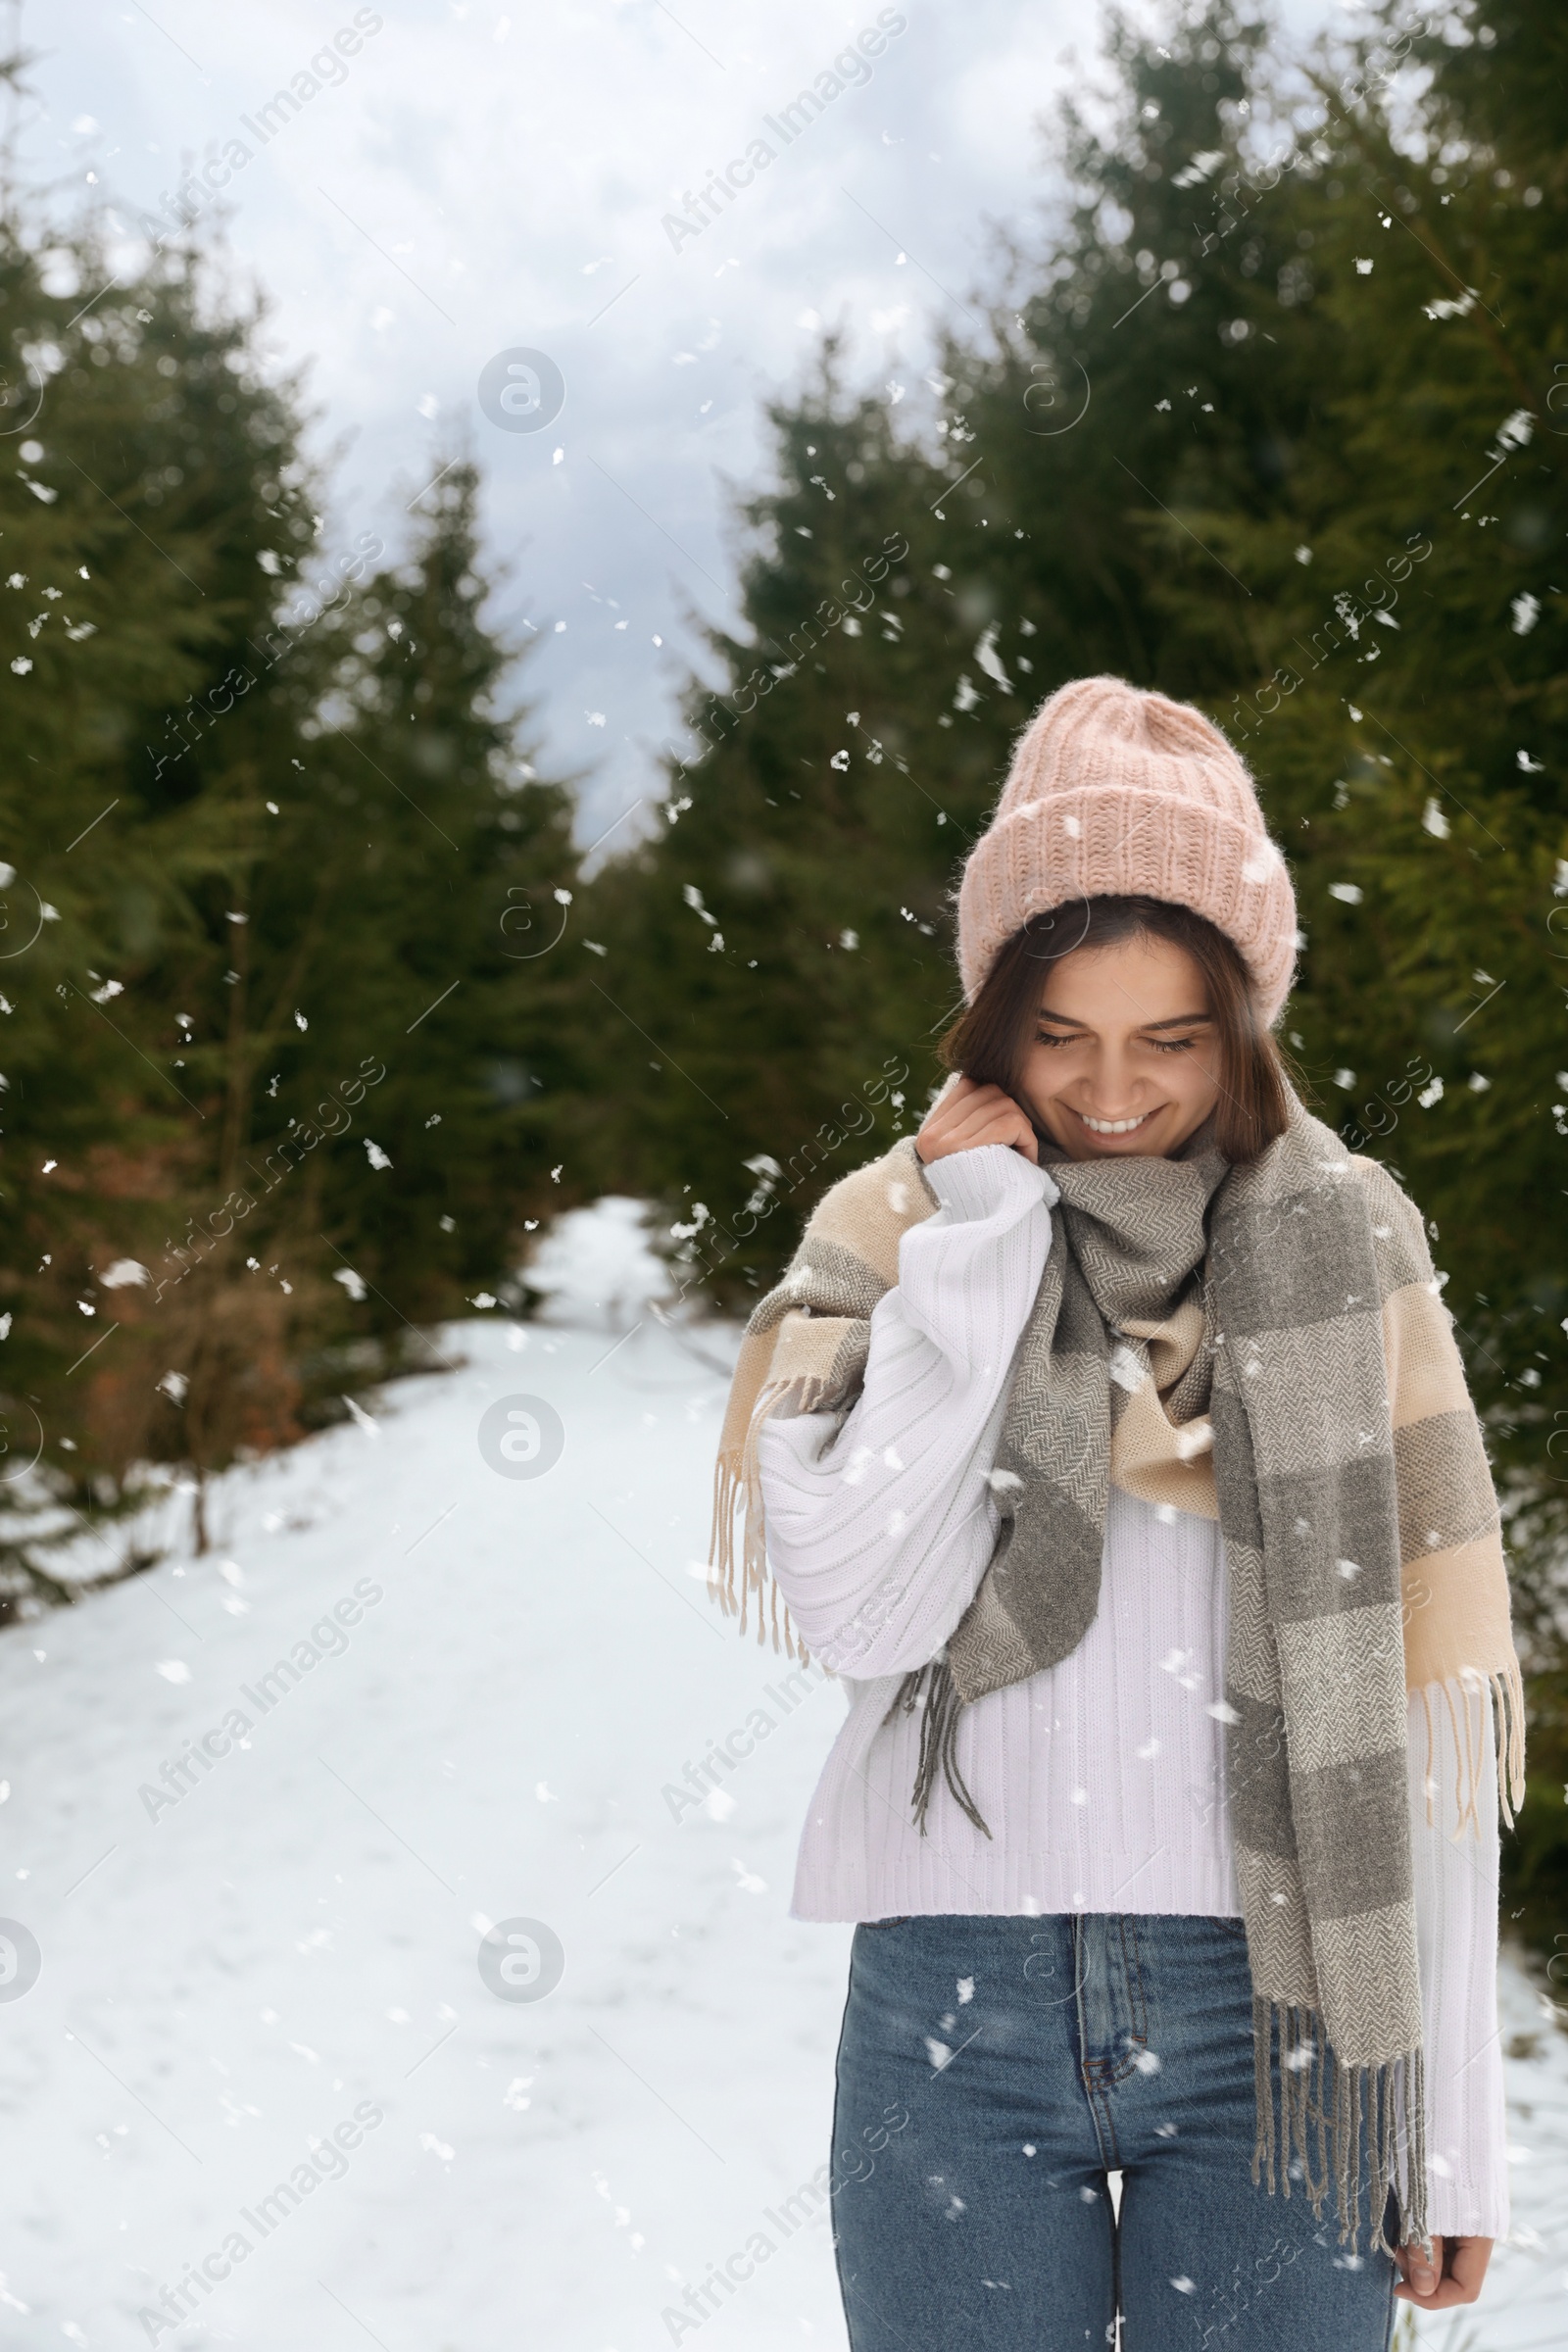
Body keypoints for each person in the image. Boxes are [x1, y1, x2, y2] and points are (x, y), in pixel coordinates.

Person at [709, 677, 1522, 2350]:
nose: (1114, 1093)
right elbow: (865, 1609)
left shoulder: (1349, 1244)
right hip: (956, 2009)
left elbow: (1415, 1719)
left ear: (1247, 1022)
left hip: (1282, 2018)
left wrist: (1451, 2140)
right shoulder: (903, 1231)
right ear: (995, 1017)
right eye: (1061, 1034)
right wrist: (985, 1254)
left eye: (1172, 1038)